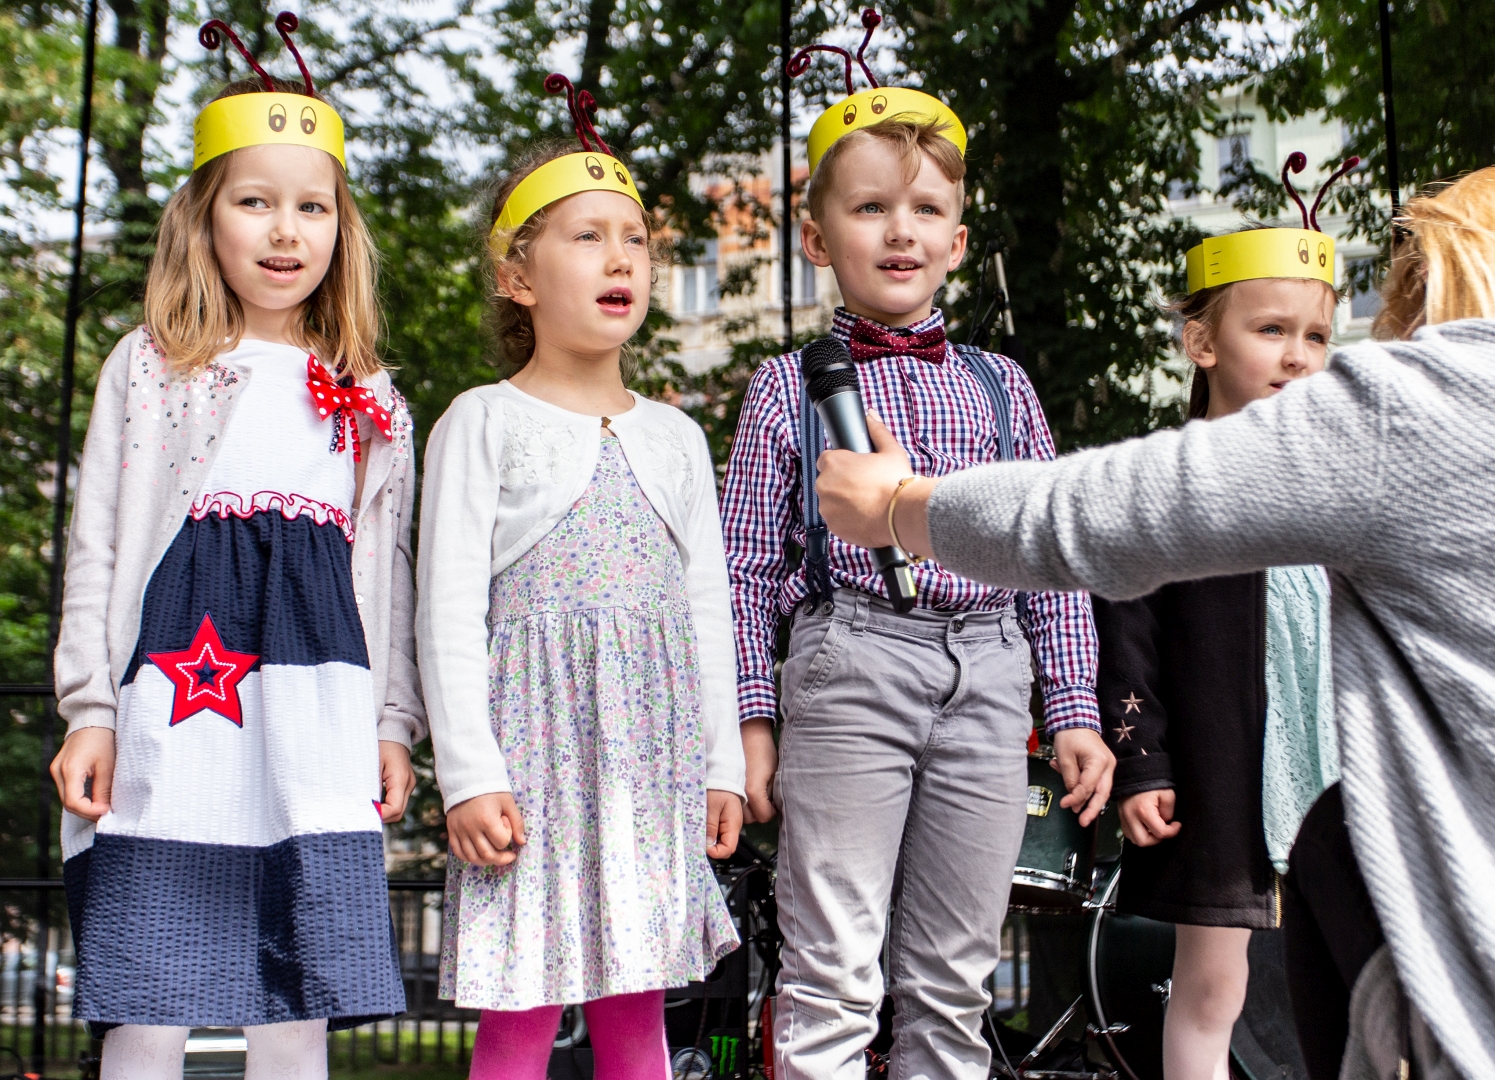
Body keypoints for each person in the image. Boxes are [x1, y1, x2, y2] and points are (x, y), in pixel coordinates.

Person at [813, 163, 1495, 1079]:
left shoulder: (1439, 401)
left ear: (1472, 282)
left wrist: (906, 505)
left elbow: (1105, 514)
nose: (1406, 337)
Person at [722, 16, 1112, 1076]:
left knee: (953, 980)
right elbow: (747, 576)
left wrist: (1070, 711)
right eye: (870, 208)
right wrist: (753, 725)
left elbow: (1051, 559)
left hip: (990, 673)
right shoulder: (786, 387)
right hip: (851, 666)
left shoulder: (1003, 385)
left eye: (924, 210)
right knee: (834, 971)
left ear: (957, 240)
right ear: (817, 237)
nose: (900, 231)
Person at [48, 18, 422, 1077]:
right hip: (178, 698)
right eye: (254, 202)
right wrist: (91, 710)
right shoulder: (154, 367)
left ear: (341, 228)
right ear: (204, 218)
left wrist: (393, 725)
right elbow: (99, 544)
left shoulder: (371, 395)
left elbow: (383, 579)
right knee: (151, 985)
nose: (284, 231)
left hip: (316, 706)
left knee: (298, 984)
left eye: (311, 206)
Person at [415, 76, 745, 1080]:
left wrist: (722, 763)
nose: (621, 258)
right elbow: (446, 609)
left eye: (636, 240)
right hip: (532, 755)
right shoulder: (482, 420)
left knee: (638, 1003)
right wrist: (469, 775)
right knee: (522, 1006)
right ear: (518, 277)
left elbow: (707, 613)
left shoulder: (678, 436)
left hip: (650, 760)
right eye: (586, 236)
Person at [1095, 170, 1347, 1080]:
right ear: (1202, 340)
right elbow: (1125, 633)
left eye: (1316, 334)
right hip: (1221, 774)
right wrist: (1144, 760)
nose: (1298, 355)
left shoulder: (1344, 482)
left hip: (1337, 771)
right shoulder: (1168, 480)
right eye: (1271, 330)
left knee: (1353, 977)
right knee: (1212, 983)